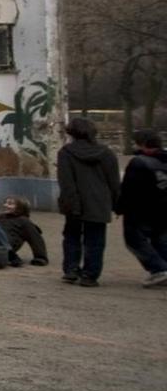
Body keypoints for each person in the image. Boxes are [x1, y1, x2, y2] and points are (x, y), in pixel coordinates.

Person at [57, 117, 121, 287]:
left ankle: (71, 270)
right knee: (96, 241)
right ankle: (90, 275)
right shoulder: (106, 153)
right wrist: (117, 204)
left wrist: (71, 203)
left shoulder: (66, 153)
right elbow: (113, 182)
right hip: (99, 202)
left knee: (71, 237)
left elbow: (66, 182)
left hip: (75, 202)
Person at [114, 130, 167, 287]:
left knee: (134, 240)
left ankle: (159, 268)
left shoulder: (139, 163)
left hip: (140, 210)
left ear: (142, 144)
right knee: (161, 240)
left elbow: (129, 190)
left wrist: (119, 207)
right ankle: (162, 266)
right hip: (163, 209)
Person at [0, 196, 48, 267]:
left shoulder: (24, 221)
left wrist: (40, 257)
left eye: (10, 204)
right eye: (5, 203)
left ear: (20, 207)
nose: (6, 205)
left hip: (7, 244)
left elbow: (35, 239)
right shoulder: (1, 217)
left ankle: (10, 254)